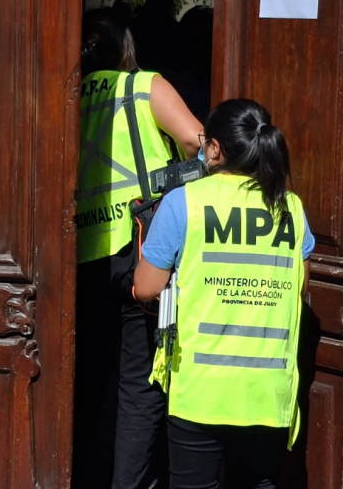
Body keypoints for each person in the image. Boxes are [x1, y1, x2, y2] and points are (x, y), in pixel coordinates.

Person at [133, 99, 315, 489]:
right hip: (267, 392)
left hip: (202, 389)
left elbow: (147, 288)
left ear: (215, 149)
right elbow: (300, 286)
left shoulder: (184, 202)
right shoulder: (291, 209)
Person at [74, 7, 202, 488]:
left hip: (82, 254)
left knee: (88, 376)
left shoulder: (67, 90)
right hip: (138, 248)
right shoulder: (142, 86)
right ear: (126, 47)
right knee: (137, 385)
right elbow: (199, 142)